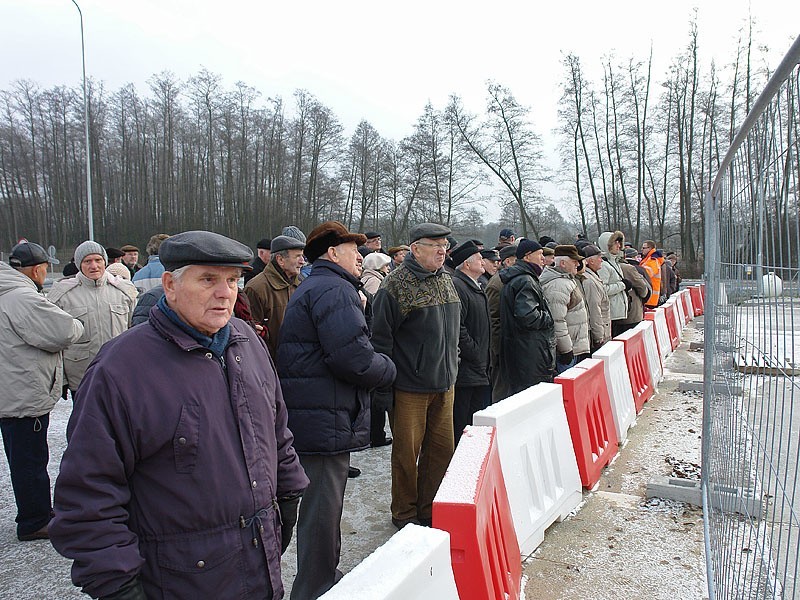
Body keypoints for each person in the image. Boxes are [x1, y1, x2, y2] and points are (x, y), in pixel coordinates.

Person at [50, 230, 309, 600]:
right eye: (208, 280)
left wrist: (287, 495)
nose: (225, 293)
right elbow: (88, 496)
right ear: (170, 284)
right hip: (179, 580)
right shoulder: (121, 369)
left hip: (259, 565)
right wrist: (118, 585)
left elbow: (276, 429)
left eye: (233, 280)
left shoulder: (246, 342)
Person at [276, 221, 396, 600]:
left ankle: (323, 576)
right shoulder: (333, 288)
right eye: (352, 249)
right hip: (322, 415)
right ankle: (315, 587)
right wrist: (391, 369)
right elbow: (353, 358)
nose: (359, 257)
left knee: (323, 508)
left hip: (320, 411)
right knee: (322, 511)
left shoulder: (323, 285)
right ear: (332, 253)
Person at [372, 223, 460, 530]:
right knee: (406, 456)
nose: (442, 251)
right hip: (409, 386)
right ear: (415, 249)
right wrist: (384, 389)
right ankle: (405, 513)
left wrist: (454, 362)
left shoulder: (447, 280)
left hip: (445, 382)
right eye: (435, 245)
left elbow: (453, 332)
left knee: (441, 452)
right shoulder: (394, 286)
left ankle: (430, 509)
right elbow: (381, 341)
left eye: (445, 245)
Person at [0, 242, 84, 542]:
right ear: (38, 269)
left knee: (23, 457)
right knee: (30, 461)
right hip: (23, 392)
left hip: (9, 391)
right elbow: (63, 331)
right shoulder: (22, 297)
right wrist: (77, 325)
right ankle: (35, 519)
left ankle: (35, 512)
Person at [49, 241, 137, 393]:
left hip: (119, 373)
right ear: (79, 264)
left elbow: (135, 333)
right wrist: (61, 379)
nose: (94, 266)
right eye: (87, 261)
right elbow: (55, 341)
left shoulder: (124, 291)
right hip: (81, 376)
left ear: (104, 261)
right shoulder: (62, 295)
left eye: (98, 260)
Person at [495, 239, 555, 401]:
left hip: (521, 351)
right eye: (540, 254)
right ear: (527, 257)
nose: (544, 258)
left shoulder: (521, 278)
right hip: (529, 352)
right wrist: (548, 317)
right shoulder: (525, 280)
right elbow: (527, 316)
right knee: (532, 399)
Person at [450, 241, 491, 445]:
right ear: (467, 264)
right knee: (462, 422)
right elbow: (459, 328)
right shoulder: (459, 286)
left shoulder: (475, 285)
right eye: (479, 258)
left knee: (472, 420)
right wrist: (476, 353)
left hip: (478, 367)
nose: (483, 262)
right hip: (467, 369)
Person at [244, 235, 306, 359]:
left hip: (300, 362)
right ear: (280, 260)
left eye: (302, 256)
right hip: (270, 363)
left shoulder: (302, 283)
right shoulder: (256, 288)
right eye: (297, 256)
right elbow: (250, 335)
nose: (302, 261)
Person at [539, 245, 589, 371]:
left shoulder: (565, 280)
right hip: (567, 351)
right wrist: (566, 350)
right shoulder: (558, 285)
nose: (578, 264)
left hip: (573, 346)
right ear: (562, 263)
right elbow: (557, 321)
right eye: (574, 261)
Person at [486, 244, 516, 403]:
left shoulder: (511, 280)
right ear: (509, 262)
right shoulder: (496, 284)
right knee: (502, 393)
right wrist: (498, 351)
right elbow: (493, 320)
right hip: (501, 349)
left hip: (510, 347)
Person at [578, 244, 611, 352]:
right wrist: (599, 336)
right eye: (599, 257)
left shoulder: (592, 276)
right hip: (600, 332)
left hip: (602, 328)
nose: (601, 260)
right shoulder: (590, 281)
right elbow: (594, 309)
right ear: (590, 261)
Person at [597, 231, 630, 336]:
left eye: (619, 243)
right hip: (611, 312)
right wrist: (622, 285)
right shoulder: (604, 265)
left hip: (617, 312)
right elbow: (603, 289)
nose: (619, 246)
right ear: (608, 245)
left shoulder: (615, 262)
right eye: (616, 243)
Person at [618, 248, 653, 332]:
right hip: (632, 312)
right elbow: (644, 289)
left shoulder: (605, 267)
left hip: (615, 315)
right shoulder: (630, 269)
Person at [639, 240, 665, 309]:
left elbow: (646, 274)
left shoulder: (652, 260)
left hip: (650, 298)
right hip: (649, 296)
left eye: (644, 248)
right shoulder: (648, 259)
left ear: (650, 248)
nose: (642, 250)